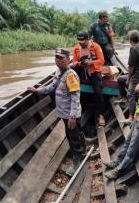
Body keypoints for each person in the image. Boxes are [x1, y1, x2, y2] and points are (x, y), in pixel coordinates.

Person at [27, 48, 85, 177]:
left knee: (73, 137)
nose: (58, 60)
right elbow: (51, 87)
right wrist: (37, 90)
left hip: (70, 114)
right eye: (56, 58)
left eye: (61, 58)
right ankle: (82, 152)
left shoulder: (70, 75)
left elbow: (75, 97)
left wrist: (72, 116)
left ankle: (77, 162)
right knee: (76, 133)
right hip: (65, 113)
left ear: (68, 60)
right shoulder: (59, 72)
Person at [72, 31, 106, 126]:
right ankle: (78, 108)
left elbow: (102, 60)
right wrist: (79, 64)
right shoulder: (76, 48)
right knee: (72, 83)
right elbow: (74, 62)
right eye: (79, 42)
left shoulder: (95, 46)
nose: (81, 44)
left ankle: (101, 115)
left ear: (88, 39)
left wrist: (91, 63)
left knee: (98, 92)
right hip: (82, 71)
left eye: (83, 42)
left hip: (94, 71)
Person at [116, 30, 139, 121]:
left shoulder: (133, 48)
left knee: (131, 94)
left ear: (130, 39)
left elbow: (131, 66)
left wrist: (128, 79)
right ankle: (123, 98)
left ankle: (131, 117)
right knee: (120, 79)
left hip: (136, 76)